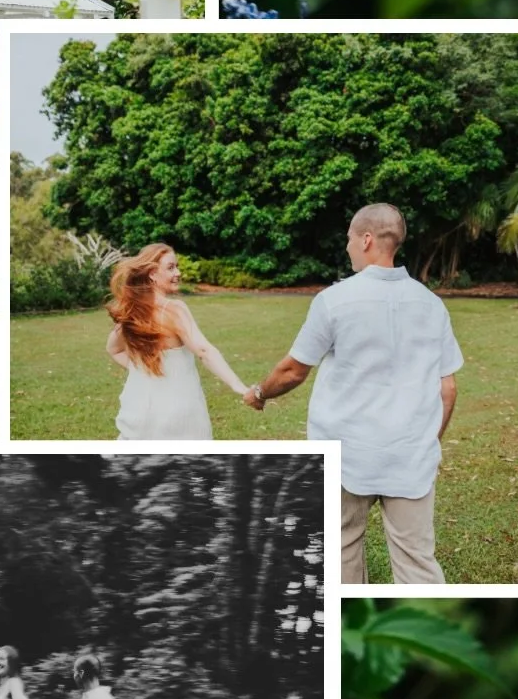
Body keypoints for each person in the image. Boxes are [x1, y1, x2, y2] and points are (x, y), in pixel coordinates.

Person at [244, 203, 463, 584]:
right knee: (417, 563)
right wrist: (427, 440)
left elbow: (294, 370)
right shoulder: (432, 304)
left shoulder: (334, 300)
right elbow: (448, 387)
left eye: (348, 238)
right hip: (410, 455)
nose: (347, 247)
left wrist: (261, 392)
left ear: (366, 239)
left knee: (341, 551)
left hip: (346, 453)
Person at [106, 243, 250, 438]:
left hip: (138, 412)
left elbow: (114, 350)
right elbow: (204, 351)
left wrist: (141, 370)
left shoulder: (132, 313)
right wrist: (237, 385)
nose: (178, 273)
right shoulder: (173, 309)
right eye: (171, 267)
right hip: (177, 413)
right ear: (152, 274)